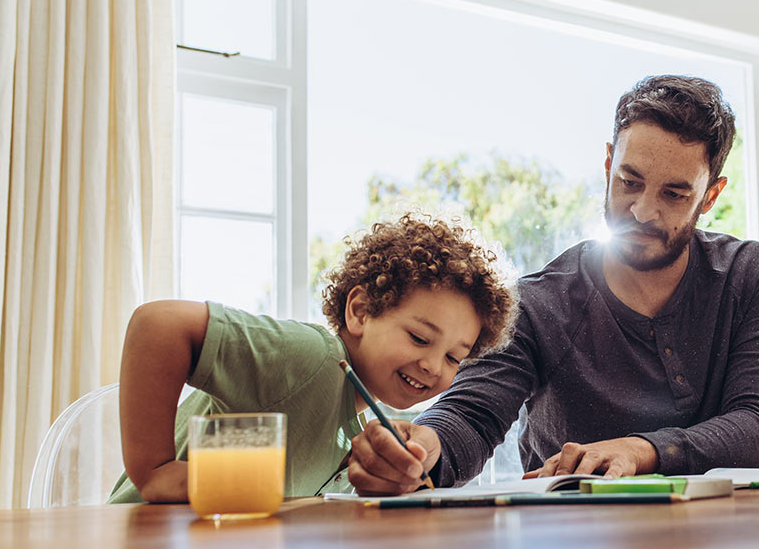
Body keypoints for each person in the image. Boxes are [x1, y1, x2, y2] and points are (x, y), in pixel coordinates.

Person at [346, 75, 759, 491]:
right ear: (607, 164)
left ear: (710, 195)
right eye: (629, 181)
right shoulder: (540, 303)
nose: (641, 210)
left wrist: (639, 451)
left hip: (722, 545)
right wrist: (422, 448)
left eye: (673, 195)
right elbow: (471, 412)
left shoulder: (747, 275)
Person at [108, 213, 517, 503]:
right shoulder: (314, 360)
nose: (433, 366)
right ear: (359, 311)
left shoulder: (356, 427)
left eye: (453, 358)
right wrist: (154, 470)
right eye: (418, 337)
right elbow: (158, 324)